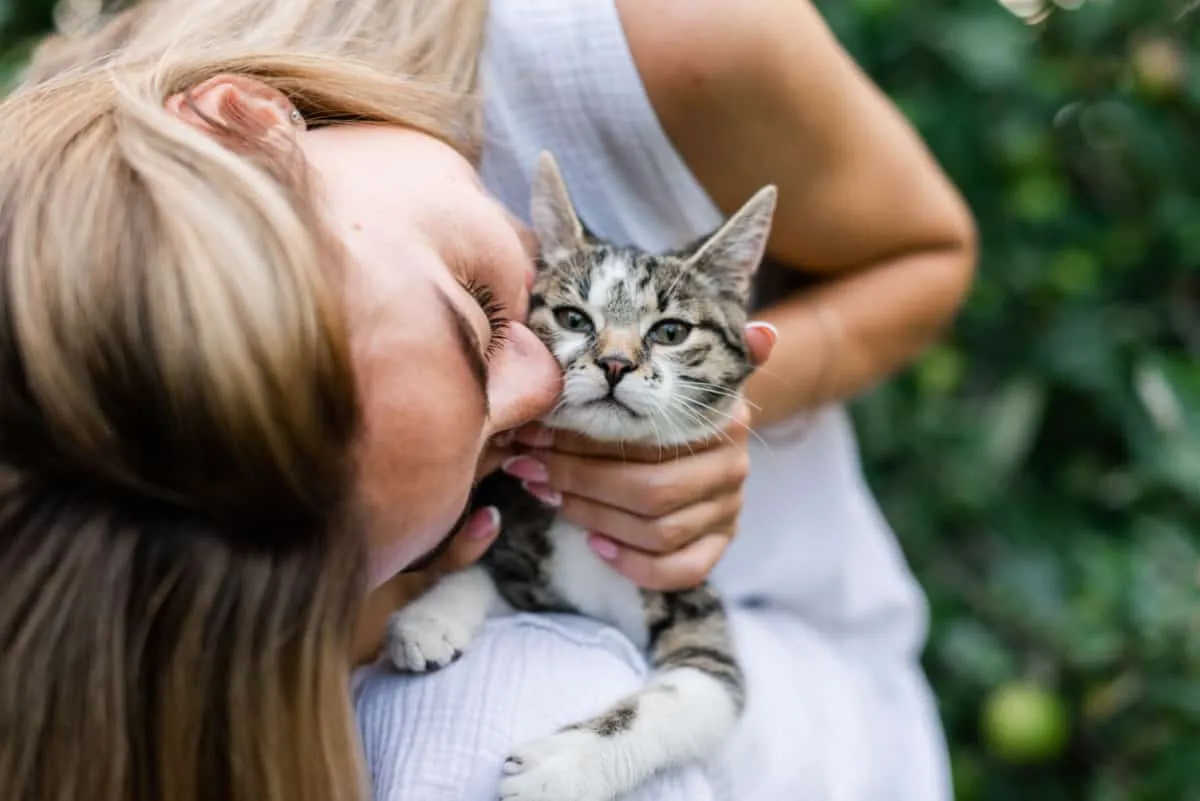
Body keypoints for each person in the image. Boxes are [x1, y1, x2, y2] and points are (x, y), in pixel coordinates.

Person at [2, 2, 976, 801]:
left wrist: (721, 406)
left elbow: (930, 250)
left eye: (472, 308)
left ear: (247, 121)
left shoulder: (660, 42)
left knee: (491, 726)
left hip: (795, 653)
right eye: (484, 461)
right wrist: (400, 594)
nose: (550, 383)